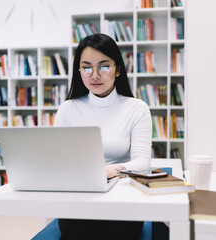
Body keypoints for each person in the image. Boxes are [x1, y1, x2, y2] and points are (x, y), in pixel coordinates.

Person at [54, 33, 152, 240]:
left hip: (123, 201)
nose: (95, 75)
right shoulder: (68, 109)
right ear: (79, 71)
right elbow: (59, 162)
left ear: (117, 70)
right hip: (80, 201)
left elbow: (143, 162)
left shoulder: (137, 108)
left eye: (104, 66)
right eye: (87, 67)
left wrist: (112, 170)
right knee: (83, 229)